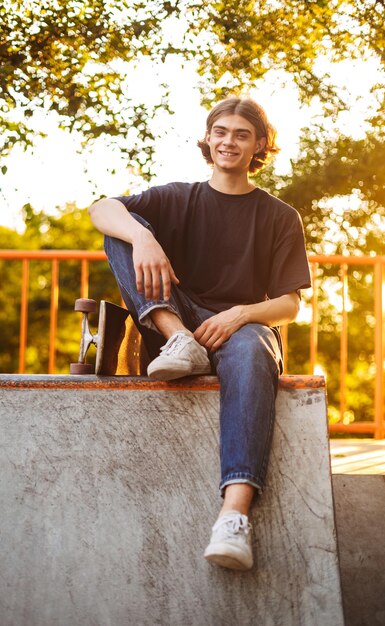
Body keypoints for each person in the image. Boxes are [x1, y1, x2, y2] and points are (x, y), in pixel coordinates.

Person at [89, 96, 311, 571]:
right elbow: (101, 209)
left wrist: (238, 315)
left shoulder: (280, 216)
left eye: (242, 134)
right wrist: (143, 237)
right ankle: (178, 339)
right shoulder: (177, 197)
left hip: (241, 329)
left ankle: (234, 517)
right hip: (176, 325)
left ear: (259, 146)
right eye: (221, 132)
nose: (229, 141)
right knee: (121, 227)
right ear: (208, 139)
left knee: (254, 348)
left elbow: (290, 304)